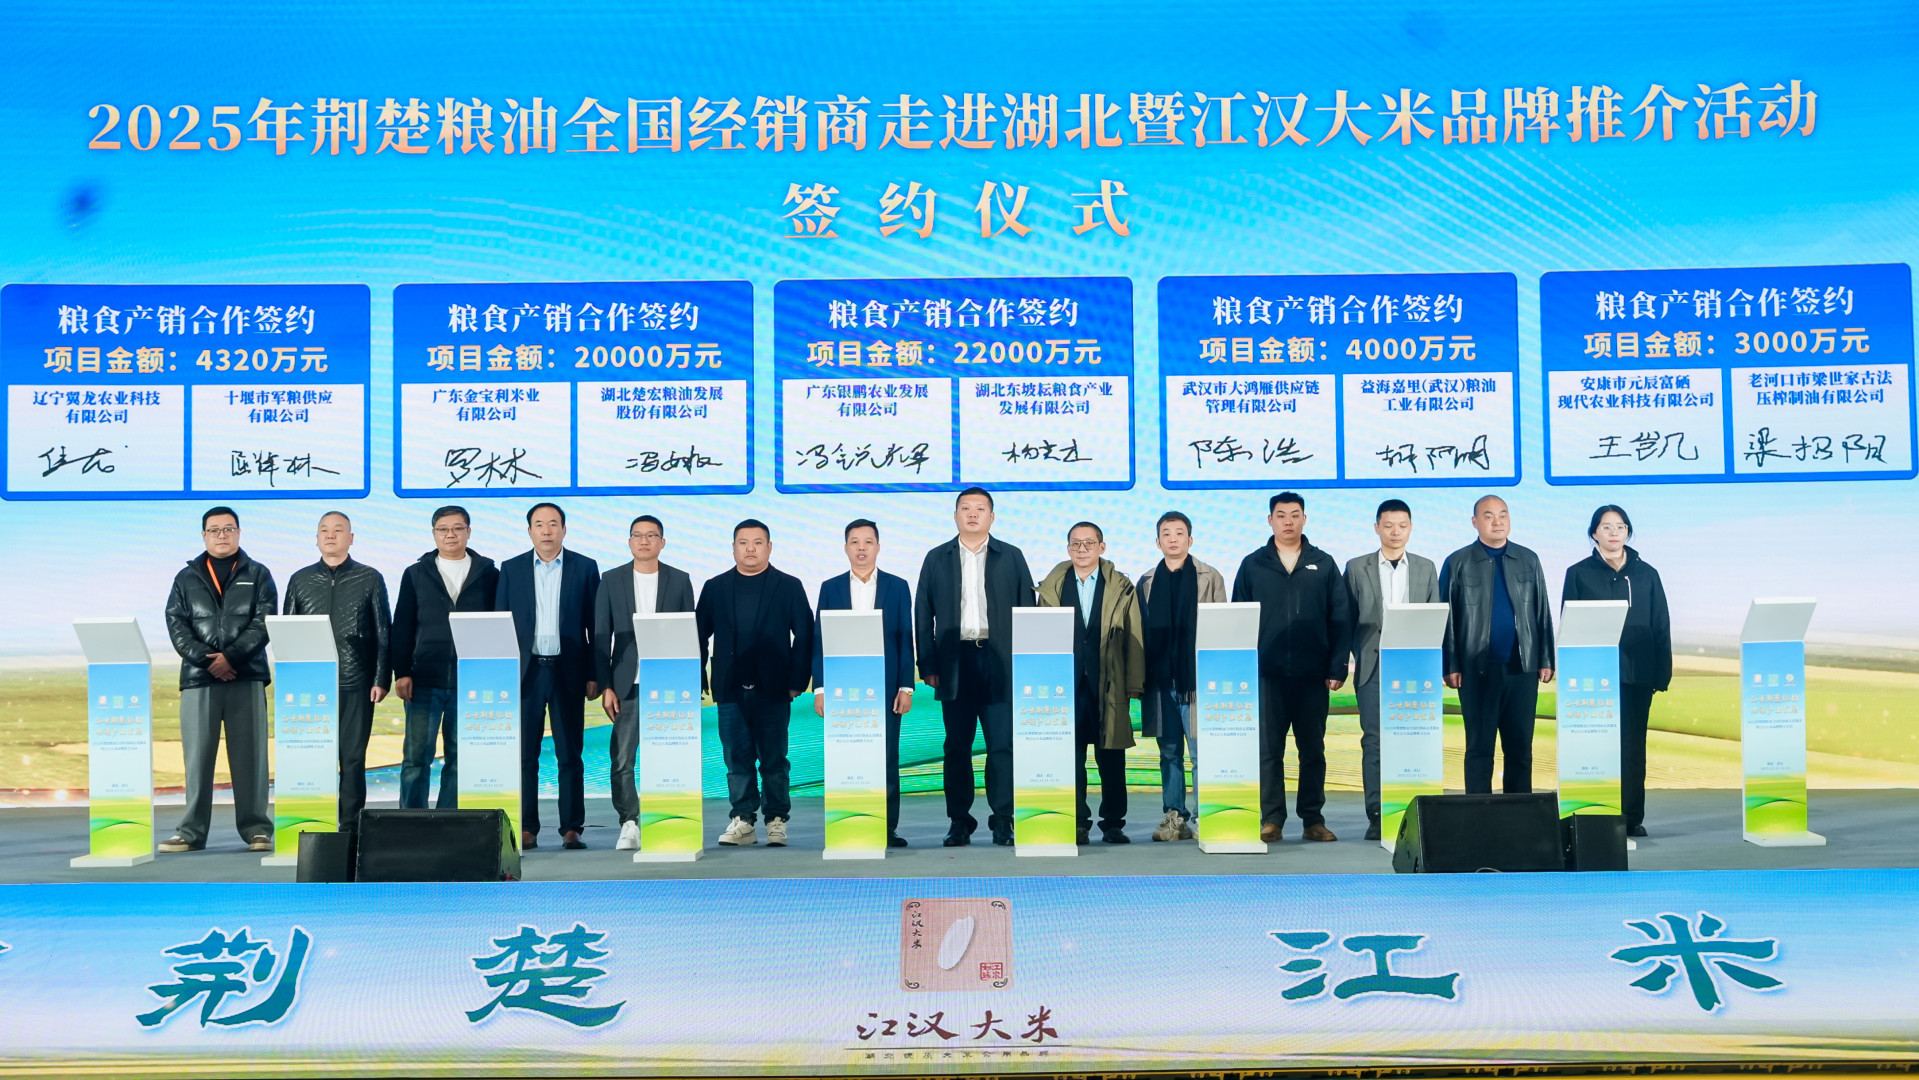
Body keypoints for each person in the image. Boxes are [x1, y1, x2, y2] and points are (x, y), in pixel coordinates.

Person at [915, 487, 1036, 848]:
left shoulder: (1011, 556)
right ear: (955, 515)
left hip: (999, 661)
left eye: (980, 509)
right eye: (965, 508)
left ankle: (1003, 820)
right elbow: (923, 613)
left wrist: (1025, 662)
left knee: (1002, 745)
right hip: (954, 662)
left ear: (991, 517)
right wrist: (928, 664)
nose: (972, 514)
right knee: (956, 746)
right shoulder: (937, 558)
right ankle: (959, 822)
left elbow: (1026, 610)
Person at [1231, 492, 1353, 844]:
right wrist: (1243, 671)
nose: (1288, 521)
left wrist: (1337, 667)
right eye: (1281, 515)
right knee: (1269, 751)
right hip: (1266, 674)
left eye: (1295, 514)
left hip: (1312, 674)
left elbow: (1340, 618)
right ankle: (1272, 819)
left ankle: (1313, 819)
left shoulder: (1323, 563)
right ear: (1270, 520)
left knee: (1312, 750)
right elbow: (1239, 619)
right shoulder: (1253, 564)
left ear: (1304, 519)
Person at [159, 507, 278, 853]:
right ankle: (191, 832)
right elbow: (176, 624)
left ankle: (257, 829)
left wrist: (232, 658)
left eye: (228, 529)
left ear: (239, 533)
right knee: (197, 759)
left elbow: (264, 620)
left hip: (246, 675)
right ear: (204, 536)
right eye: (215, 530)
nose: (222, 535)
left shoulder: (258, 573)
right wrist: (208, 661)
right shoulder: (185, 578)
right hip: (200, 679)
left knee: (251, 758)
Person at [697, 520, 814, 848]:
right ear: (733, 547)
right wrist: (700, 678)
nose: (750, 548)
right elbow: (696, 635)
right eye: (743, 542)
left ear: (769, 547)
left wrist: (797, 680)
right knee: (736, 758)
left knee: (774, 759)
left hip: (774, 688)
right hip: (730, 689)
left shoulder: (788, 586)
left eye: (758, 542)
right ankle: (743, 820)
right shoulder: (715, 587)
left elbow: (805, 635)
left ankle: (776, 820)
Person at [1561, 505, 1671, 838]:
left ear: (1628, 532)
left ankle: (1631, 816)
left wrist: (1661, 672)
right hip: (1592, 676)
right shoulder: (1578, 573)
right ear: (1594, 532)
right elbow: (1568, 625)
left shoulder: (1646, 574)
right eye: (1606, 527)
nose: (1613, 532)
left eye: (1620, 526)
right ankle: (1591, 814)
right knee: (1596, 745)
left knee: (1633, 746)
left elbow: (1661, 623)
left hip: (1637, 672)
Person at [496, 503, 600, 850]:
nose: (546, 530)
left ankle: (572, 828)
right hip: (526, 673)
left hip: (568, 670)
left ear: (564, 530)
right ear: (529, 531)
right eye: (539, 524)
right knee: (525, 755)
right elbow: (501, 624)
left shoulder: (585, 567)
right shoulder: (510, 569)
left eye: (553, 524)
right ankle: (527, 828)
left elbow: (595, 626)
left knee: (570, 754)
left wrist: (594, 673)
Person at [281, 511, 391, 838]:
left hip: (357, 682)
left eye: (338, 530)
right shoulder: (300, 580)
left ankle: (351, 826)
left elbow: (384, 632)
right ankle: (315, 821)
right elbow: (287, 633)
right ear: (316, 538)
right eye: (324, 530)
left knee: (353, 758)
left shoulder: (370, 578)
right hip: (311, 686)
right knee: (314, 756)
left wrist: (381, 678)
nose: (331, 535)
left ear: (351, 538)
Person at [593, 514, 697, 851]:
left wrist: (689, 683)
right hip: (627, 685)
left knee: (670, 756)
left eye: (652, 535)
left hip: (668, 686)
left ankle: (668, 820)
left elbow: (689, 634)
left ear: (662, 542)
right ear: (629, 542)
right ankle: (629, 822)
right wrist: (606, 686)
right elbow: (601, 635)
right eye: (637, 535)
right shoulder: (611, 580)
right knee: (623, 759)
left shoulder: (679, 580)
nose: (644, 541)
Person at [1036, 522, 1144, 845]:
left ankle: (1113, 823)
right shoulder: (1053, 585)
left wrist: (1134, 681)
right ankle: (1077, 821)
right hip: (1065, 684)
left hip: (1109, 680)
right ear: (1068, 548)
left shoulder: (1121, 585)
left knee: (1111, 756)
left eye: (1089, 543)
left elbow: (1134, 633)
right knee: (1070, 755)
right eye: (1076, 543)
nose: (1082, 549)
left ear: (1102, 547)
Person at [1440, 495, 1556, 795]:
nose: (1497, 522)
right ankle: (1478, 814)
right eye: (1489, 516)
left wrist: (1546, 657)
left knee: (1520, 748)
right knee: (1479, 748)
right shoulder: (1458, 562)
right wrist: (1450, 664)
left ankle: (1518, 813)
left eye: (1503, 515)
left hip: (1522, 668)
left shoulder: (1528, 559)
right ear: (1475, 522)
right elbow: (1447, 617)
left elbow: (1542, 611)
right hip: (1476, 669)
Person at [812, 519, 915, 847]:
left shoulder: (897, 587)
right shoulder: (831, 588)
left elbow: (905, 638)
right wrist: (820, 688)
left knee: (886, 757)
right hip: (842, 688)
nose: (861, 548)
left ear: (878, 547)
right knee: (847, 756)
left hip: (885, 688)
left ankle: (886, 827)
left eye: (868, 542)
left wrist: (906, 686)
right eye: (854, 542)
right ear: (845, 548)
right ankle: (848, 824)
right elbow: (820, 640)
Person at [390, 505, 499, 811]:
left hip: (471, 682)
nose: (450, 534)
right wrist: (402, 671)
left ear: (468, 532)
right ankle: (410, 819)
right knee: (416, 758)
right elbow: (402, 626)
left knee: (461, 758)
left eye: (457, 528)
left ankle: (447, 820)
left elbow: (499, 625)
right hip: (424, 680)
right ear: (434, 533)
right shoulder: (415, 574)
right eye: (443, 529)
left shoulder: (490, 575)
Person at [1344, 498, 1440, 841]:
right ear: (1377, 528)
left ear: (1411, 528)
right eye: (1388, 525)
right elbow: (1345, 620)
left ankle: (1419, 813)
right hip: (1373, 667)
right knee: (1374, 742)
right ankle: (1376, 813)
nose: (1395, 532)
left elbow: (1435, 618)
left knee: (1416, 741)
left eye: (1402, 525)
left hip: (1416, 671)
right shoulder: (1357, 568)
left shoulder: (1427, 568)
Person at [1136, 511, 1227, 842]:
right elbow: (1140, 632)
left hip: (1198, 681)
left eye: (1179, 533)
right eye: (1166, 533)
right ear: (1157, 541)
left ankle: (1205, 816)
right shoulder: (1146, 581)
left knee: (1202, 752)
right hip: (1160, 681)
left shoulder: (1209, 577)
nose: (1173, 538)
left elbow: (1221, 630)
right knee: (1169, 753)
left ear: (1190, 539)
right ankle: (1175, 817)